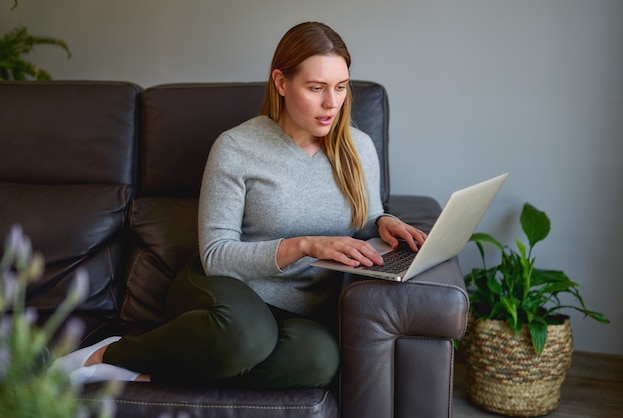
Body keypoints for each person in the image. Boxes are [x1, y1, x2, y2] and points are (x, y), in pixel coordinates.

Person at [50, 21, 427, 388]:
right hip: (226, 288)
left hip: (304, 306)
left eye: (341, 87)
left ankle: (148, 370)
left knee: (318, 361)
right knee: (246, 338)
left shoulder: (358, 147)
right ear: (281, 82)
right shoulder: (235, 147)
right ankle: (110, 354)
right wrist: (304, 246)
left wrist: (384, 223)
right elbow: (215, 254)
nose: (332, 103)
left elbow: (367, 218)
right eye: (316, 88)